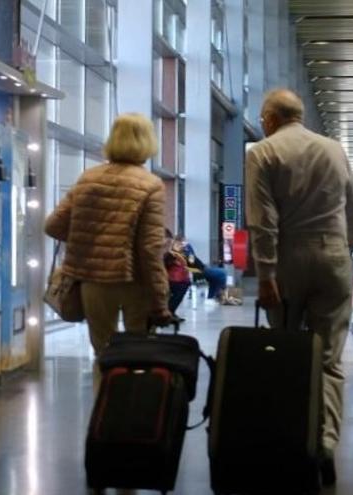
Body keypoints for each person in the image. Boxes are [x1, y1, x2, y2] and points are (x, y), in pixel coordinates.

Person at [245, 88, 353, 485]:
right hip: (333, 256)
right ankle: (326, 444)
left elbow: (262, 220)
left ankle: (288, 439)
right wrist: (343, 244)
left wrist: (265, 275)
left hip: (286, 260)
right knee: (329, 358)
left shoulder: (261, 152)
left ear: (269, 118)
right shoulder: (333, 148)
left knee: (284, 350)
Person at [44, 113, 172, 384]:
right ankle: (133, 410)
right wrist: (160, 299)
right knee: (137, 352)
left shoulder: (88, 178)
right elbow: (150, 249)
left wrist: (87, 235)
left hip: (92, 280)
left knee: (103, 353)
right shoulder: (150, 185)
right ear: (148, 142)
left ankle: (105, 413)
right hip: (134, 281)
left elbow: (53, 226)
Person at [175, 234, 230, 304]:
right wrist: (187, 248)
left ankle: (212, 298)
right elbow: (191, 261)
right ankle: (220, 295)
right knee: (222, 273)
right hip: (198, 270)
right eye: (184, 241)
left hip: (201, 268)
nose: (185, 242)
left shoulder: (182, 250)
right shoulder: (184, 250)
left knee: (215, 277)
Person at [164, 229, 192, 319]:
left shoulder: (183, 251)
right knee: (176, 296)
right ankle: (169, 312)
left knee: (176, 297)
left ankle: (171, 312)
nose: (183, 243)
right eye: (182, 241)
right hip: (175, 279)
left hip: (181, 279)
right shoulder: (172, 253)